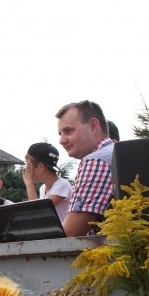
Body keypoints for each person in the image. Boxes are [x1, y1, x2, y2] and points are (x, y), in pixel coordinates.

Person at [56, 100, 114, 237]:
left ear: (93, 126)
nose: (61, 140)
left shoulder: (97, 160)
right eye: (60, 134)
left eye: (68, 131)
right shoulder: (115, 153)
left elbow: (71, 232)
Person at [22, 142, 72, 222]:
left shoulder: (63, 185)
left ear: (41, 166)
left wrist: (29, 183)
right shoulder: (43, 188)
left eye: (29, 166)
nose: (26, 171)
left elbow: (37, 212)